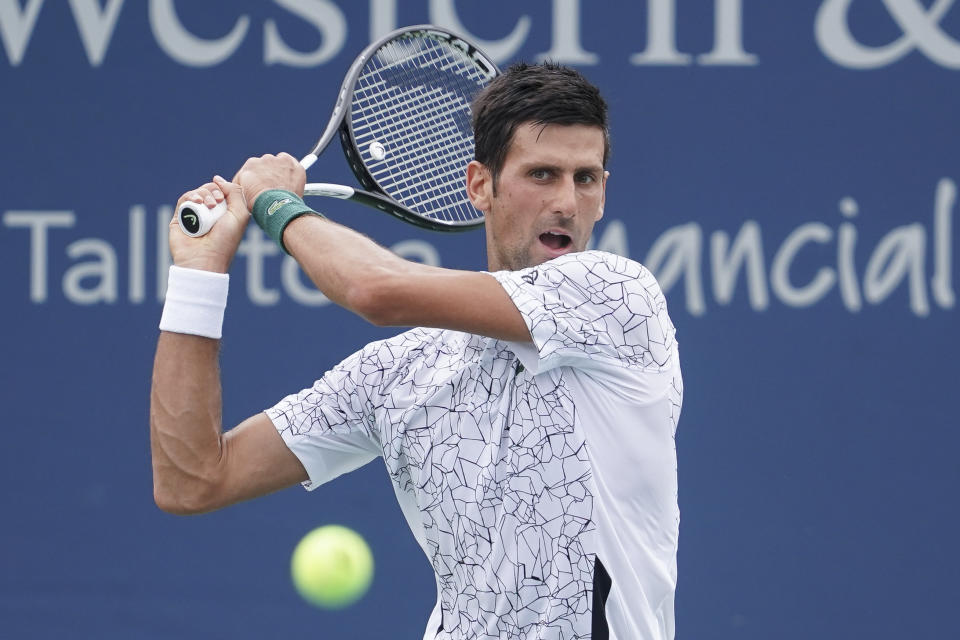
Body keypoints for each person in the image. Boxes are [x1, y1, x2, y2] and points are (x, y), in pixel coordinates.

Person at [151, 62, 683, 639]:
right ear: (481, 184)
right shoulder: (399, 371)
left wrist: (278, 206)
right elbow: (193, 478)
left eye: (586, 178)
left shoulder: (617, 296)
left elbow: (373, 290)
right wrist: (198, 276)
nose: (567, 202)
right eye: (542, 174)